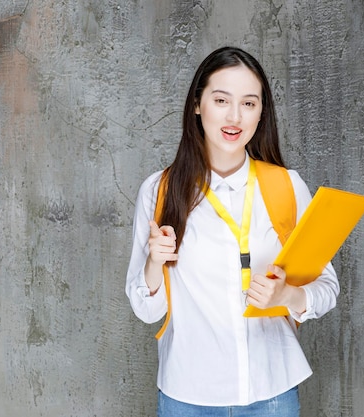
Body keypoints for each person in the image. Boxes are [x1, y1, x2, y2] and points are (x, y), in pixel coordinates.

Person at [125, 46, 340, 417]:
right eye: (221, 99)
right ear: (197, 104)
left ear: (261, 113)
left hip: (271, 393)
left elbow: (327, 289)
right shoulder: (160, 190)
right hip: (186, 397)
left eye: (249, 103)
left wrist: (287, 295)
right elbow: (146, 311)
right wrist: (153, 264)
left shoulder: (286, 187)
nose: (234, 116)